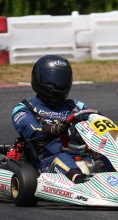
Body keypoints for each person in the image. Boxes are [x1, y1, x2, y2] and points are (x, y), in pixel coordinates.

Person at [11, 55, 89, 184]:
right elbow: (32, 132)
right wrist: (53, 129)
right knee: (61, 158)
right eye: (54, 78)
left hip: (81, 155)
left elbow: (94, 124)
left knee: (104, 156)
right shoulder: (26, 108)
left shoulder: (76, 107)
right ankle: (80, 182)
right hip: (46, 159)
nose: (59, 83)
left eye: (62, 78)